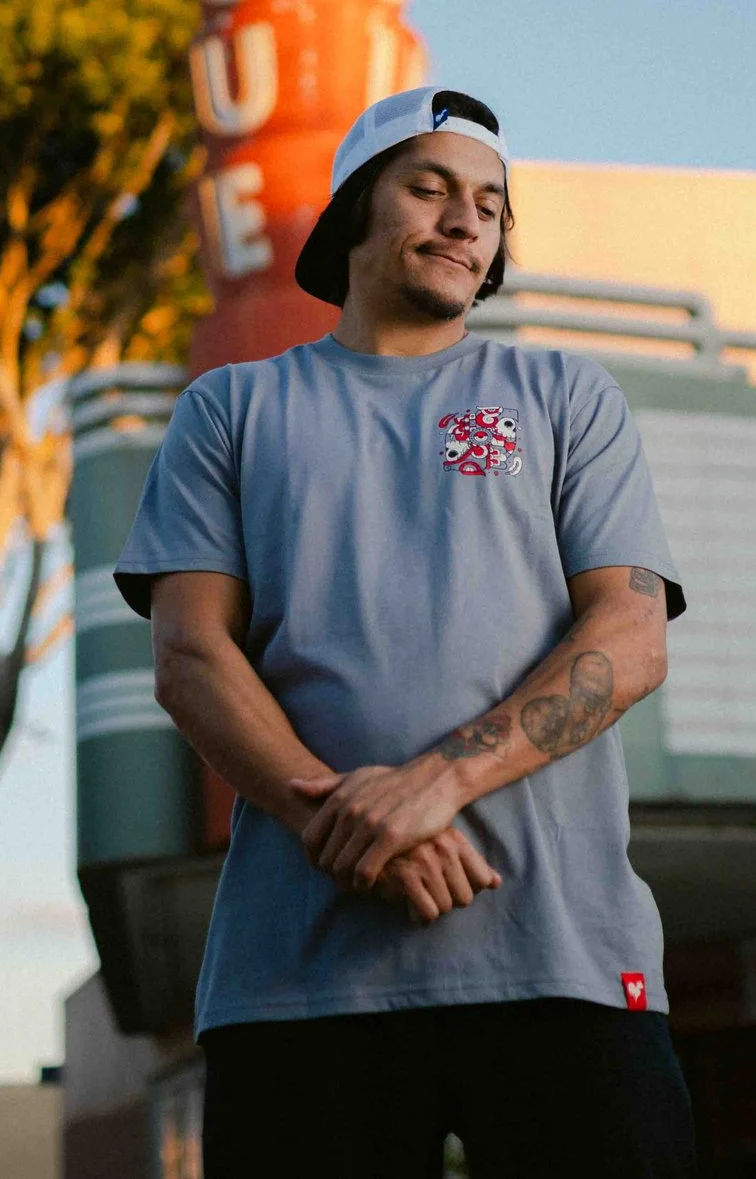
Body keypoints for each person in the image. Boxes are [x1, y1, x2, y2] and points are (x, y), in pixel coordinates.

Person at [116, 86, 698, 1179]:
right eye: (427, 186)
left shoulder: (563, 391)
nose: (464, 217)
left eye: (489, 202)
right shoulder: (231, 408)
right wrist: (354, 821)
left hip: (562, 963)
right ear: (352, 213)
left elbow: (630, 633)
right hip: (296, 981)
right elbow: (192, 656)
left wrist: (434, 782)